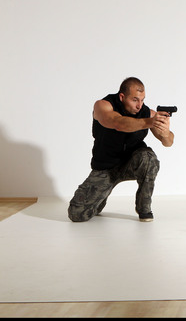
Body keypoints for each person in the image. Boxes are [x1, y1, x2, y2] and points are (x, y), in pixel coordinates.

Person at [68, 77, 174, 222]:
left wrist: (165, 132)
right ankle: (101, 198)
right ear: (122, 96)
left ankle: (144, 208)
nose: (139, 105)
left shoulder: (147, 113)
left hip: (131, 164)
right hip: (106, 167)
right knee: (77, 214)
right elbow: (118, 123)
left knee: (149, 158)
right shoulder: (103, 106)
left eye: (142, 100)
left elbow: (168, 142)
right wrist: (150, 122)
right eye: (135, 100)